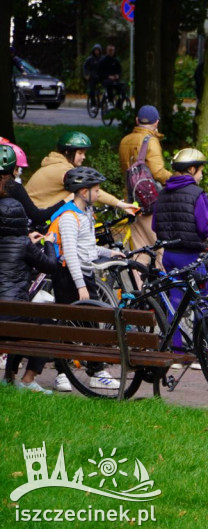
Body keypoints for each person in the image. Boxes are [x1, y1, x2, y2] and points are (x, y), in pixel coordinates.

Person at [49, 167, 124, 390]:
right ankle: (64, 372)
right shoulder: (69, 217)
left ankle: (94, 370)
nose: (99, 194)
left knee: (89, 324)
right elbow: (71, 253)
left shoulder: (86, 214)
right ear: (83, 192)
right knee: (71, 323)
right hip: (69, 276)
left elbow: (87, 247)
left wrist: (109, 253)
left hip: (85, 273)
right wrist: (80, 285)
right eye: (96, 190)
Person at [152, 149, 208, 352]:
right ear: (192, 169)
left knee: (175, 302)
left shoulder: (162, 193)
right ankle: (200, 349)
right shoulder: (197, 193)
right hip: (191, 255)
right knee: (201, 300)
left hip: (169, 255)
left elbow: (154, 225)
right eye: (200, 170)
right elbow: (203, 226)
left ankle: (176, 349)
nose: (202, 174)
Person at [0, 198, 61, 393]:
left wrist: (29, 243)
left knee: (20, 321)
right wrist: (49, 243)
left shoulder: (24, 243)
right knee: (49, 326)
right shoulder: (24, 243)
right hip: (14, 315)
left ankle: (8, 378)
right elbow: (50, 266)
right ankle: (28, 380)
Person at [26, 132, 135, 214]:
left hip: (35, 212)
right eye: (80, 153)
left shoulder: (57, 165)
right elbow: (90, 190)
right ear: (67, 152)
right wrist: (120, 204)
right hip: (38, 216)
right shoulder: (64, 171)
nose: (84, 157)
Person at [118, 105, 172, 264]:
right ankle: (165, 285)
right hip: (149, 200)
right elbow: (158, 172)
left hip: (131, 199)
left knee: (140, 249)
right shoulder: (151, 140)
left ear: (137, 121)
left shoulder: (125, 140)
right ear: (157, 122)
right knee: (161, 246)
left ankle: (138, 287)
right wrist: (178, 180)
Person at [0, 144, 66, 227]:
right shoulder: (13, 187)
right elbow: (36, 217)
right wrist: (65, 202)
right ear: (13, 168)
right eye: (18, 168)